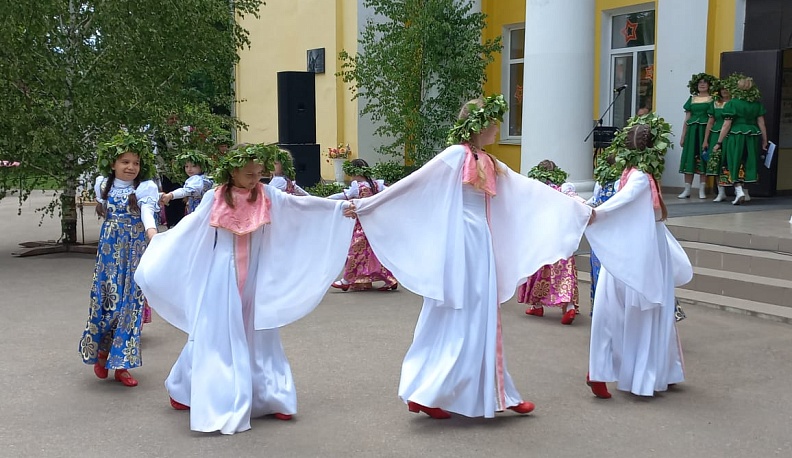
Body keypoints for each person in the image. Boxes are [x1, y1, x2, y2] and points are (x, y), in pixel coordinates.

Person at [345, 95, 593, 419]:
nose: (498, 129)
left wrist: (573, 207)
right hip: (462, 241)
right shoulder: (455, 155)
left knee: (478, 314)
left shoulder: (487, 160)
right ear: (479, 126)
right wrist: (365, 206)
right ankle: (440, 390)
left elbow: (526, 188)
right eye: (493, 123)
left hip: (478, 240)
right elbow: (412, 184)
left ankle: (478, 390)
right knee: (462, 312)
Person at [135, 143, 355, 435]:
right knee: (218, 333)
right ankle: (204, 393)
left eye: (259, 174)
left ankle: (268, 394)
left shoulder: (267, 195)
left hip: (254, 275)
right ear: (233, 170)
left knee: (257, 330)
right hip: (221, 275)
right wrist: (160, 239)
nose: (255, 179)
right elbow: (191, 228)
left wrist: (338, 208)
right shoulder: (214, 197)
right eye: (249, 174)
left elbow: (301, 205)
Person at [585, 114, 693, 399]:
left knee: (626, 307)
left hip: (640, 242)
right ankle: (638, 373)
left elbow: (622, 205)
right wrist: (594, 214)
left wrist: (594, 213)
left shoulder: (630, 174)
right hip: (642, 246)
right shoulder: (641, 178)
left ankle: (656, 370)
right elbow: (620, 203)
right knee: (643, 308)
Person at [78, 129, 160, 388]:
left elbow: (147, 213)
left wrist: (153, 235)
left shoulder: (145, 188)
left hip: (134, 251)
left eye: (136, 163)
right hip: (109, 252)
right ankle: (102, 352)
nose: (131, 167)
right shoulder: (103, 183)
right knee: (106, 302)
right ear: (112, 164)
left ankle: (122, 363)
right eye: (125, 162)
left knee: (130, 306)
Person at [520, 160, 581, 325]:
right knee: (563, 270)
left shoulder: (535, 190)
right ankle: (568, 307)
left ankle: (537, 305)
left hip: (541, 235)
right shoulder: (564, 189)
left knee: (539, 268)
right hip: (562, 235)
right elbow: (577, 201)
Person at [328, 158, 398, 292]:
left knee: (354, 250)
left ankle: (347, 280)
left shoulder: (357, 186)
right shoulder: (377, 184)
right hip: (376, 223)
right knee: (375, 252)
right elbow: (390, 193)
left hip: (362, 225)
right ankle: (388, 279)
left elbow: (344, 196)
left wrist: (324, 200)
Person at [711, 74, 769, 205]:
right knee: (748, 161)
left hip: (736, 135)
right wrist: (765, 140)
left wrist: (719, 142)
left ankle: (738, 190)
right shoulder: (756, 104)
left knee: (733, 160)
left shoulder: (732, 103)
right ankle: (746, 192)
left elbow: (726, 124)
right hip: (752, 136)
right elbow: (761, 124)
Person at [678, 73, 716, 199]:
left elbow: (713, 119)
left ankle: (702, 189)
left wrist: (707, 138)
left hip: (704, 131)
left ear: (709, 85)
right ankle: (687, 189)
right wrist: (683, 135)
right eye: (700, 83)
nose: (702, 84)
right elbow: (686, 118)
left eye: (705, 82)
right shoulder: (692, 99)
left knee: (702, 158)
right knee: (689, 158)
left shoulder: (713, 99)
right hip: (692, 132)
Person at [702, 79, 730, 202]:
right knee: (716, 161)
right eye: (722, 89)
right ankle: (721, 191)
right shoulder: (715, 103)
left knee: (728, 161)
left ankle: (739, 189)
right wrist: (705, 140)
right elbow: (710, 122)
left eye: (726, 89)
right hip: (715, 135)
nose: (724, 91)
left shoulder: (734, 103)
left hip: (730, 135)